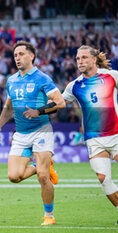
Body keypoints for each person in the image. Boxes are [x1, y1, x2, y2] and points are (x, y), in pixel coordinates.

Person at [0, 41, 65, 225]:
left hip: (41, 130)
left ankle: (49, 215)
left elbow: (60, 102)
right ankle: (42, 167)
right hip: (21, 134)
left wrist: (38, 111)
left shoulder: (42, 78)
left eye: (21, 54)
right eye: (15, 55)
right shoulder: (12, 80)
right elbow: (8, 107)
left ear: (31, 56)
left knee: (43, 177)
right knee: (13, 176)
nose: (18, 58)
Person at [62, 45, 118, 224]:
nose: (80, 61)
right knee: (102, 178)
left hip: (116, 133)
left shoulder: (111, 76)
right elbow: (59, 102)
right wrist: (39, 108)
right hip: (94, 138)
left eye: (84, 58)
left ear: (94, 59)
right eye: (78, 58)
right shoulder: (75, 86)